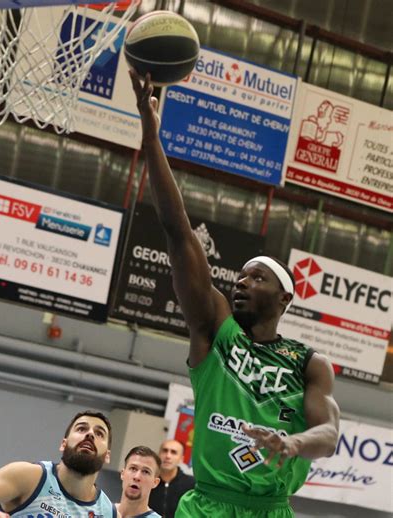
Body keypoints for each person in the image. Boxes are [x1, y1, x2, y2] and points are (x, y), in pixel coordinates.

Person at [129, 70, 340, 518]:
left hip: (271, 509)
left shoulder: (309, 363)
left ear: (285, 299)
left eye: (257, 277)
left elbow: (329, 434)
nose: (242, 282)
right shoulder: (216, 333)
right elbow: (178, 231)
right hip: (207, 504)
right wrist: (151, 138)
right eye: (240, 277)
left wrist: (292, 442)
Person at [0, 411, 118, 518]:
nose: (90, 435)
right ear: (63, 443)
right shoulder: (31, 477)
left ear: (107, 456)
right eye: (81, 429)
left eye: (99, 433)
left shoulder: (107, 512)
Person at [149, 440, 195, 518]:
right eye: (165, 451)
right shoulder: (148, 482)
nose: (168, 456)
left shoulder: (192, 485)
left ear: (181, 458)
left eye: (173, 452)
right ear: (158, 455)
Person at [117, 445, 162, 518]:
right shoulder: (102, 511)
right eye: (133, 468)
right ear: (123, 474)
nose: (137, 477)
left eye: (146, 472)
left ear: (155, 482)